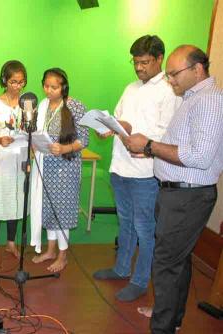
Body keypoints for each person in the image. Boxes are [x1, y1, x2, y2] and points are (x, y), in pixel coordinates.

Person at [124, 45, 223, 334]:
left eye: (174, 74)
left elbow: (199, 156)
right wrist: (152, 152)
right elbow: (185, 148)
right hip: (179, 193)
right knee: (177, 262)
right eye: (168, 75)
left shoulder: (209, 101)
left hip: (187, 196)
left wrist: (150, 146)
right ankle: (174, 320)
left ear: (198, 69)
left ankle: (162, 328)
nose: (170, 80)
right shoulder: (194, 98)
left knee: (166, 263)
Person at [93, 35, 179, 302]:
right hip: (121, 167)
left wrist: (133, 130)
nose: (139, 68)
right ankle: (120, 268)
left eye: (144, 62)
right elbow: (119, 118)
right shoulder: (131, 88)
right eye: (135, 62)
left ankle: (140, 281)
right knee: (126, 223)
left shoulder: (170, 91)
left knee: (144, 229)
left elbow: (168, 133)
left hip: (146, 172)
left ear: (159, 59)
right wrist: (110, 127)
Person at [30, 68, 88, 273]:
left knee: (62, 210)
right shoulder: (43, 106)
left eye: (54, 87)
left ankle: (63, 256)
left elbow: (84, 139)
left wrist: (65, 148)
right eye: (46, 86)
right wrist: (35, 144)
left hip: (66, 166)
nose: (49, 91)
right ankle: (50, 250)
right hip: (45, 165)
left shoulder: (75, 106)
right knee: (47, 208)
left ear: (64, 86)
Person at [0, 60, 27, 267]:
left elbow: (30, 131)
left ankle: (11, 243)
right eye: (13, 81)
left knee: (16, 201)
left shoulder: (27, 104)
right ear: (4, 80)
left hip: (19, 159)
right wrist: (0, 139)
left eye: (21, 82)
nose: (17, 86)